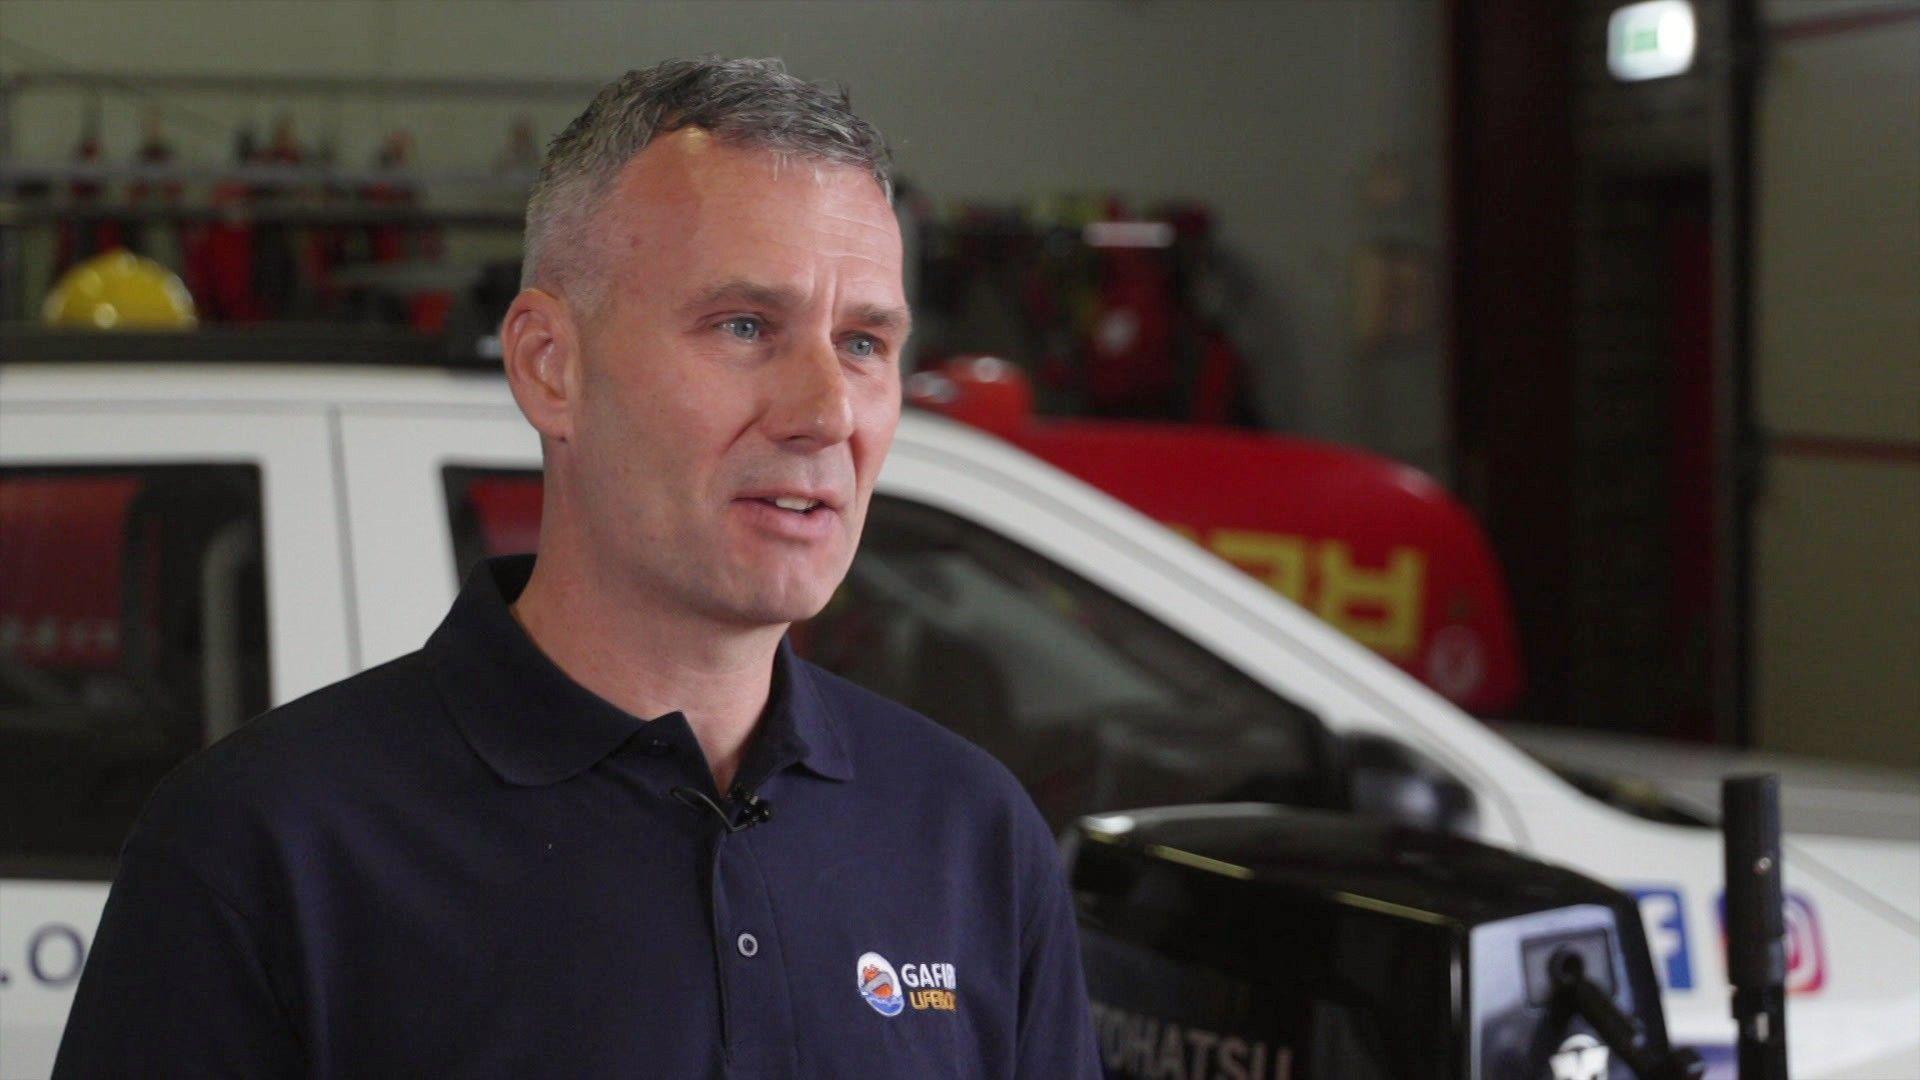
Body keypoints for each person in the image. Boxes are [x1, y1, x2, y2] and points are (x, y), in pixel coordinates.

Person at [54, 57, 1102, 1078]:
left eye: (866, 342)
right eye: (744, 326)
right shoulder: (264, 855)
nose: (827, 411)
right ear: (550, 367)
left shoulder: (973, 840)